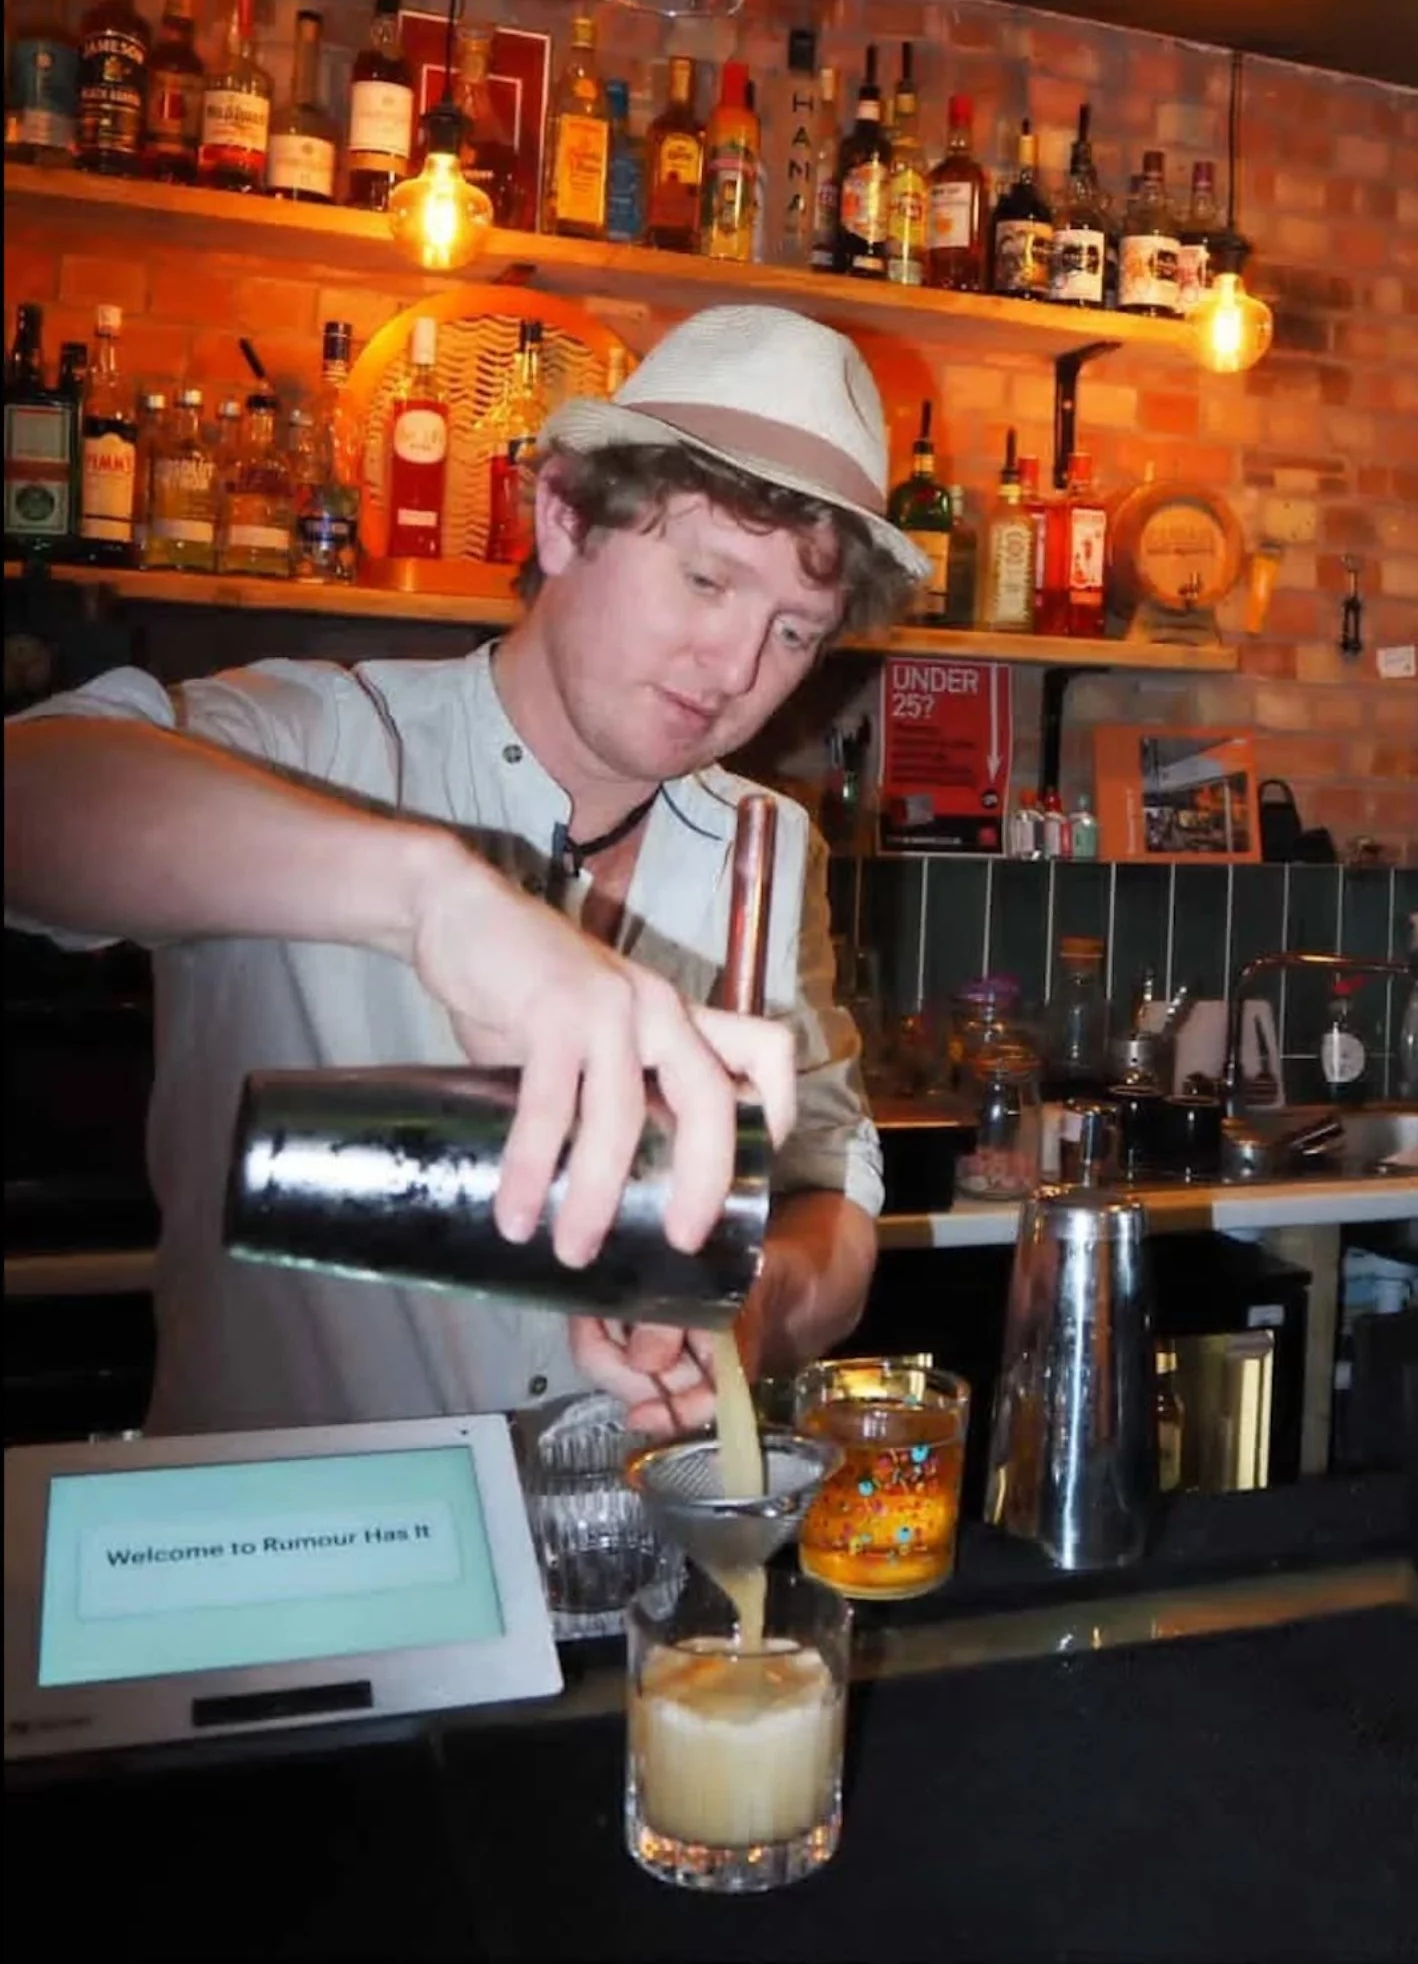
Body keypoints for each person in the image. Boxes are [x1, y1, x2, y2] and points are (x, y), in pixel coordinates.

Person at [3, 304, 926, 1436]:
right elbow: (29, 801)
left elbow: (832, 1200)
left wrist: (750, 1306)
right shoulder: (327, 743)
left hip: (613, 1559)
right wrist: (434, 904)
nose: (735, 665)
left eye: (795, 631)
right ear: (564, 516)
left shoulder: (769, 850)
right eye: (705, 580)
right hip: (292, 1561)